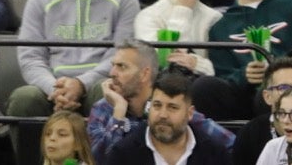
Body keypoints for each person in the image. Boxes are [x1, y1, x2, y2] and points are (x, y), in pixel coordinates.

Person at [7, 0, 137, 118]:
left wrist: (81, 84)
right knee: (24, 98)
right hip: (53, 87)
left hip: (98, 83)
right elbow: (30, 57)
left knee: (106, 94)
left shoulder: (125, 1)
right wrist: (55, 89)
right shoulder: (39, 0)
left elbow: (121, 57)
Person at [88, 44, 232, 162]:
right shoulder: (102, 108)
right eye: (113, 65)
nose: (112, 73)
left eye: (121, 66)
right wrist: (118, 113)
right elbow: (98, 160)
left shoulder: (173, 107)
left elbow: (231, 144)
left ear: (145, 73)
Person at [105, 74, 235, 165]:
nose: (163, 114)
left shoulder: (214, 154)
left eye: (172, 107)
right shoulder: (123, 154)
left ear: (190, 113)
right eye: (157, 105)